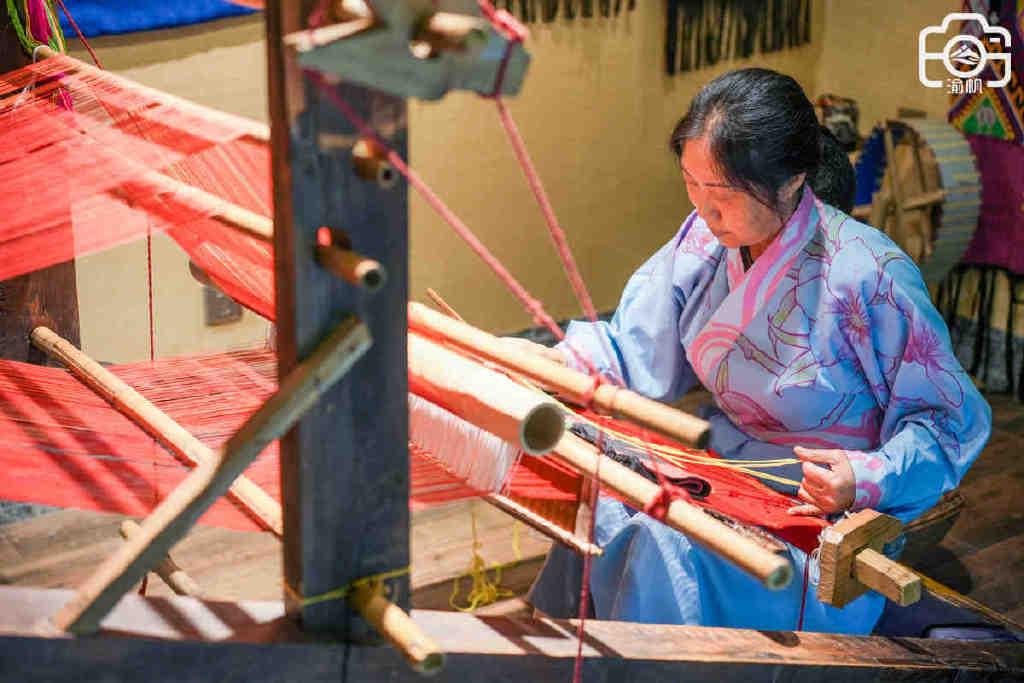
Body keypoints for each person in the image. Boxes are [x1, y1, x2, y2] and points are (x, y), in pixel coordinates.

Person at [524, 68, 991, 634]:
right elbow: (631, 344)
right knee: (602, 500)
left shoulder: (869, 273)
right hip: (727, 468)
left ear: (793, 179)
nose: (703, 208)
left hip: (817, 507)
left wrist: (863, 476)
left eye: (720, 193)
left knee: (659, 541)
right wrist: (555, 362)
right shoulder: (702, 240)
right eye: (691, 184)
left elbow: (947, 421)